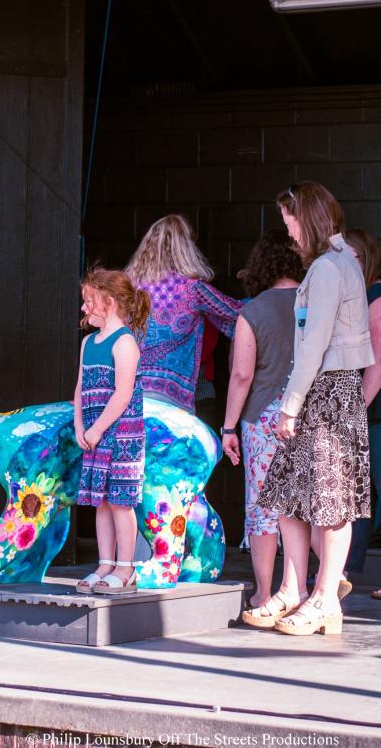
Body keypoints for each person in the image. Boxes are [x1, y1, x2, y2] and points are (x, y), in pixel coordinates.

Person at [248, 181, 373, 636]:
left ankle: (322, 598)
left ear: (311, 219)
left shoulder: (326, 267)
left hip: (326, 391)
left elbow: (315, 343)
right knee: (288, 492)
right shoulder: (341, 264)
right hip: (328, 390)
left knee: (327, 498)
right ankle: (297, 589)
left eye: (292, 222)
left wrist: (289, 407)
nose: (291, 233)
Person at [220, 230, 303, 611]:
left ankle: (265, 593)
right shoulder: (316, 302)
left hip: (264, 417)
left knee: (263, 508)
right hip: (308, 412)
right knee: (306, 505)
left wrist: (229, 426)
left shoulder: (253, 311)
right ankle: (314, 585)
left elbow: (241, 375)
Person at [74, 268, 150, 594]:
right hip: (94, 434)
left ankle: (125, 567)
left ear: (108, 301)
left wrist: (97, 428)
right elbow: (79, 388)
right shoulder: (88, 342)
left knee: (120, 501)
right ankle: (105, 563)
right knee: (101, 502)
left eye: (88, 301)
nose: (83, 308)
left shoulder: (124, 342)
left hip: (120, 435)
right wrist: (81, 426)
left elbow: (122, 393)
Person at [124, 214, 242, 415]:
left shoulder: (127, 289)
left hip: (126, 395)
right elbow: (240, 314)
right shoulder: (193, 289)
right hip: (173, 400)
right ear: (187, 248)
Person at [341, 228, 381, 600]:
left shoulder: (376, 295)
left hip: (374, 414)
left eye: (351, 255)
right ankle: (345, 570)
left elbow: (378, 364)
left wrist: (358, 410)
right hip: (366, 413)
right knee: (359, 494)